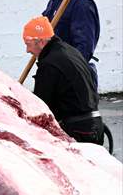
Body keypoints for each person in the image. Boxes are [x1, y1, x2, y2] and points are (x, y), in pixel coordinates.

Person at [23, 16, 104, 145]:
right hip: (95, 124)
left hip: (77, 130)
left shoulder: (49, 64)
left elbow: (41, 106)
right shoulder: (69, 51)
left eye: (28, 44)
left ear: (41, 42)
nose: (28, 50)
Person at [33, 0, 100, 85]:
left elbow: (83, 49)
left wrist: (62, 72)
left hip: (72, 80)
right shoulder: (55, 0)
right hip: (56, 73)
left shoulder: (81, 2)